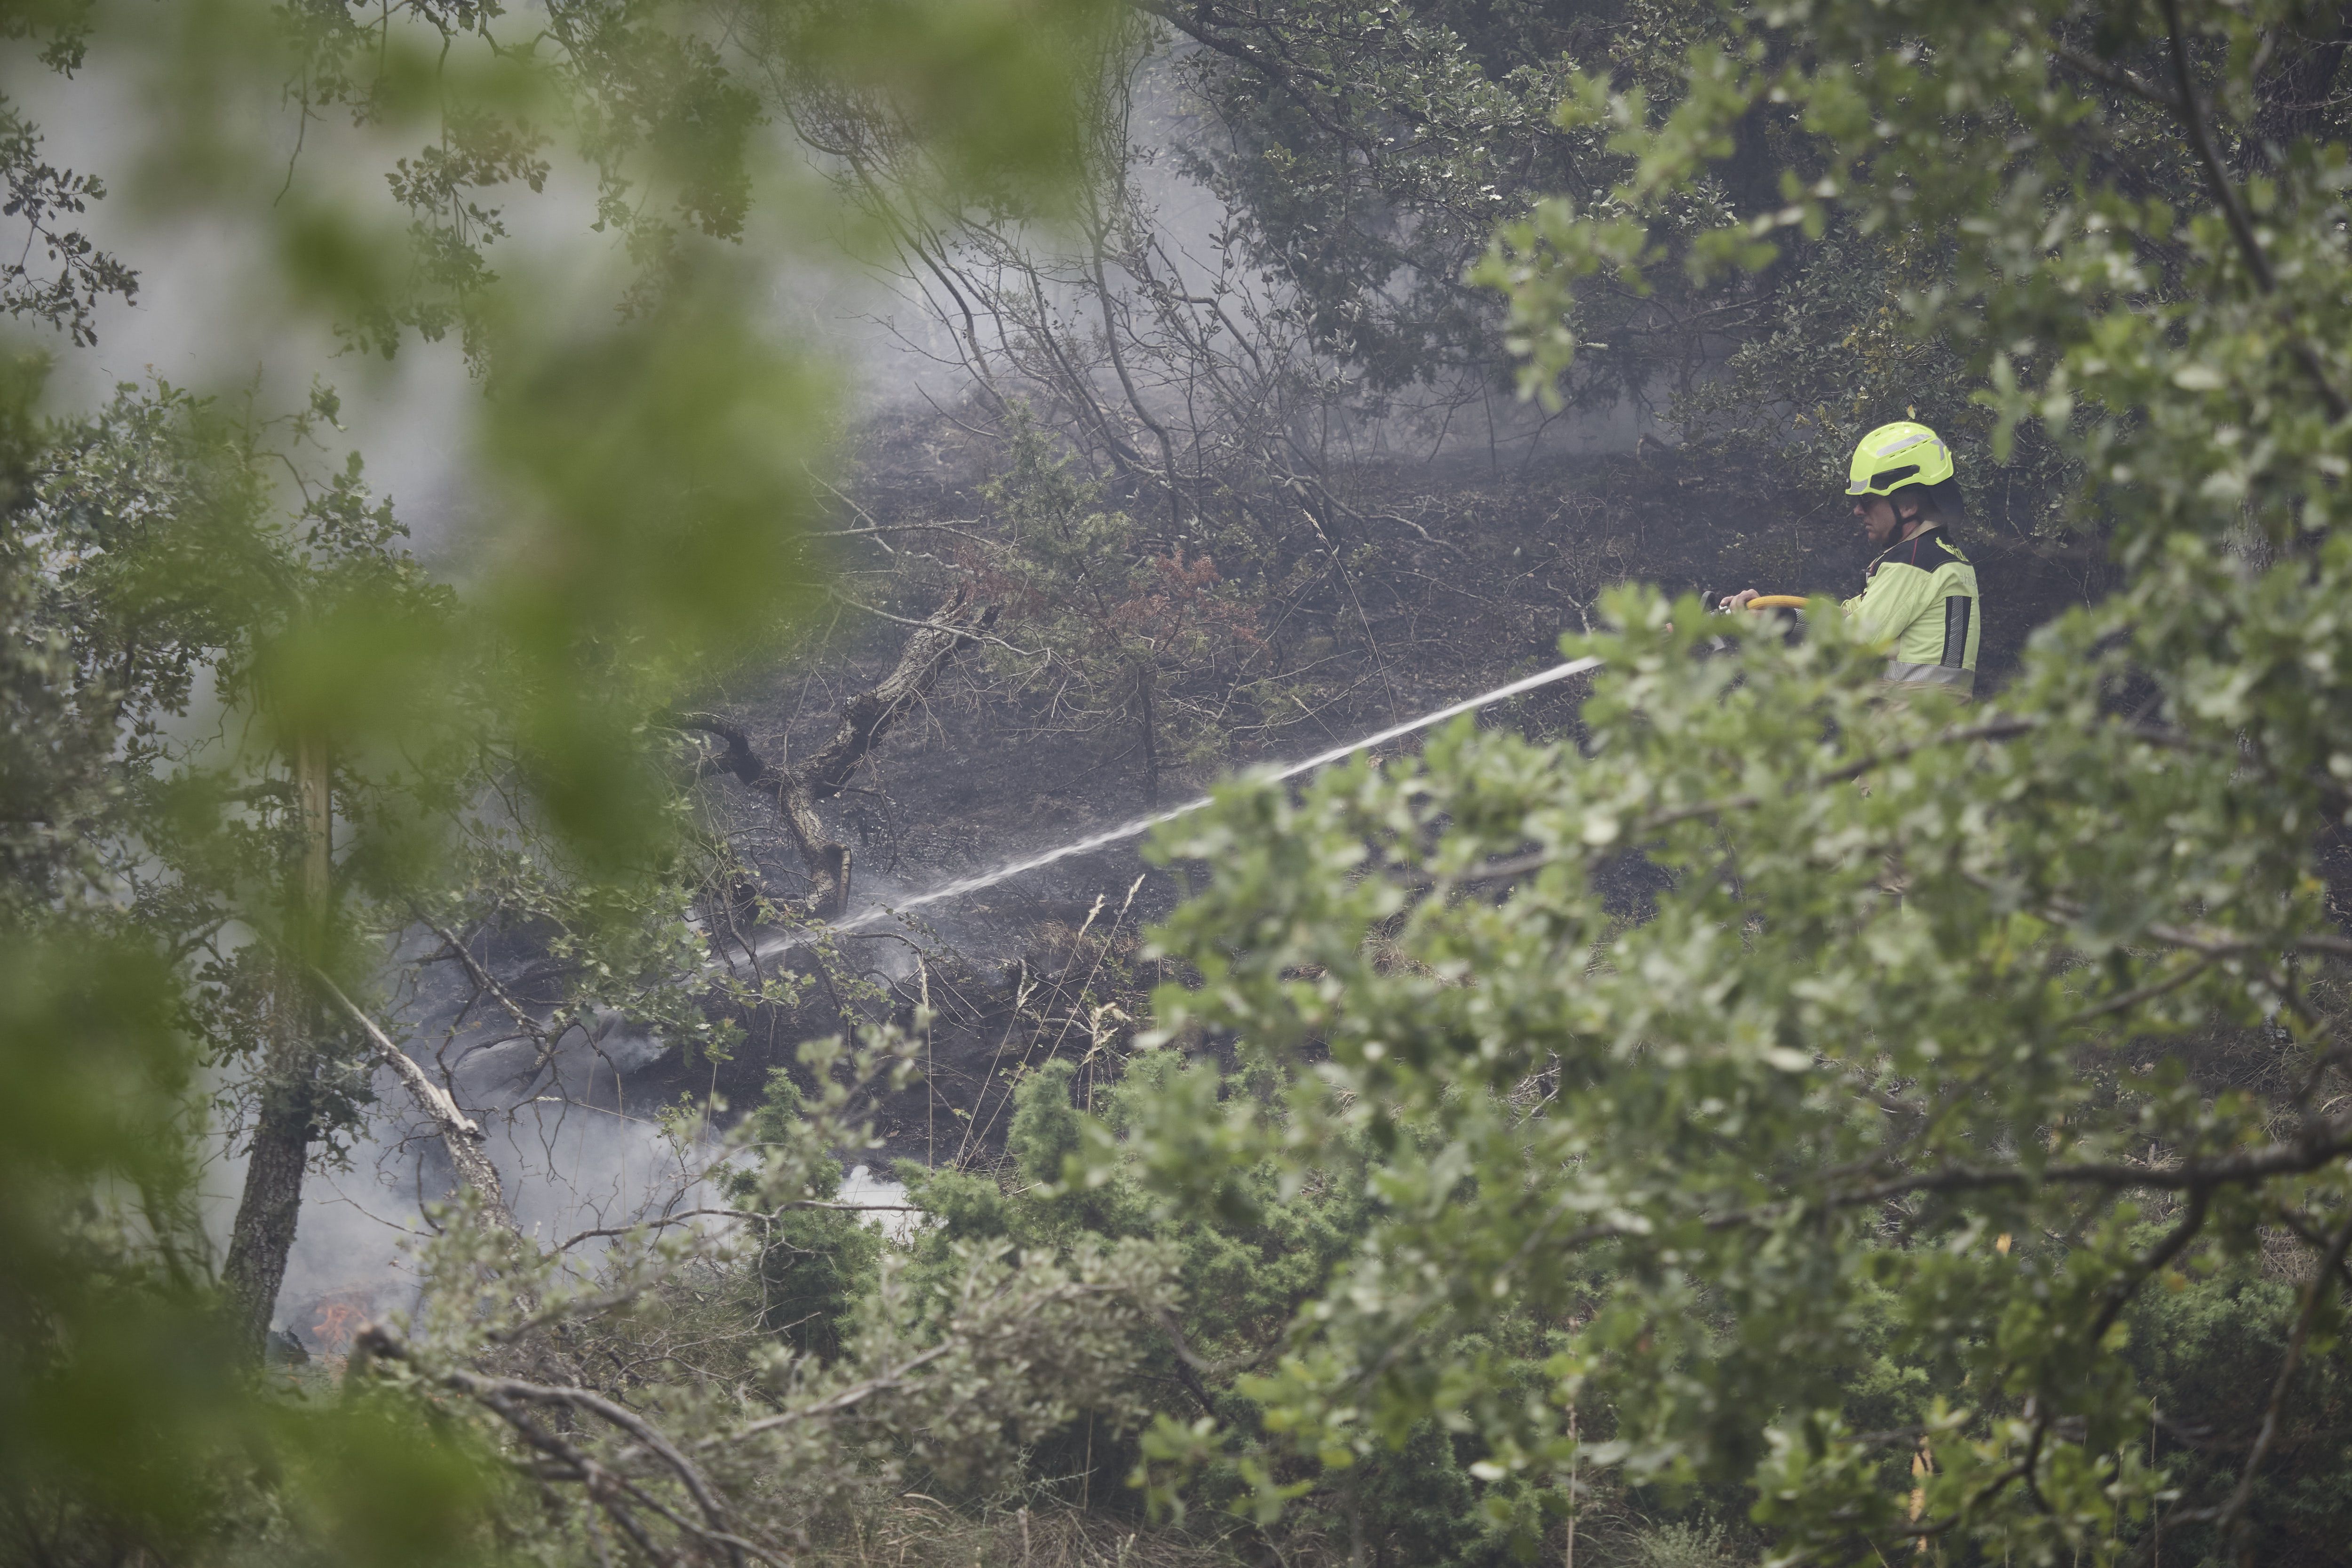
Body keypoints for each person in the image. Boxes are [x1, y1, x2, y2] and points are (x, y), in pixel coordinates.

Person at [1724, 421, 1982, 697]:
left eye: (1868, 500)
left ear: (1908, 505)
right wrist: (1778, 617)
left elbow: (1851, 645)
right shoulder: (1945, 560)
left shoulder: (1913, 563)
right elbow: (1849, 618)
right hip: (1932, 728)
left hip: (1903, 733)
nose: (1858, 511)